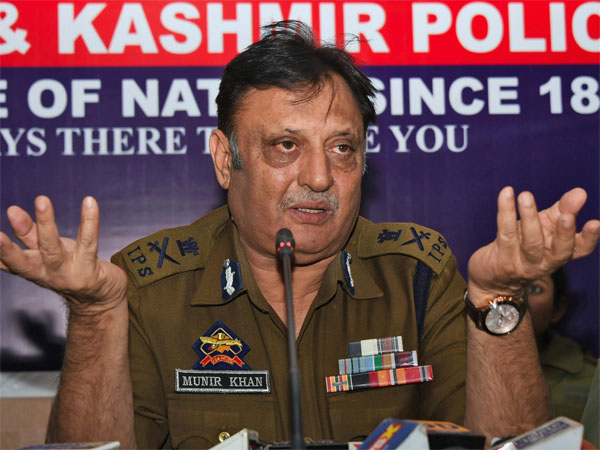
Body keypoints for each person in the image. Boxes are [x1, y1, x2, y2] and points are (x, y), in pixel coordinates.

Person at [1, 21, 599, 448]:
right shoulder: (151, 283)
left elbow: (507, 443)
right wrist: (95, 313)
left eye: (342, 148)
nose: (319, 177)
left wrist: (498, 297)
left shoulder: (416, 271)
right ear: (225, 159)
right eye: (286, 145)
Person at [527, 268, 598, 421]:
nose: (517, 299)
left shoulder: (591, 380)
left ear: (557, 309)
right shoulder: (474, 367)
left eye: (534, 289)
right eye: (508, 287)